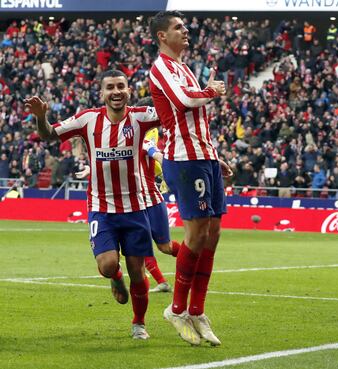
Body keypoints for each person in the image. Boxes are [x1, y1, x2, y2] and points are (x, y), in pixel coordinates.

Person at [25, 69, 160, 340]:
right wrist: (41, 117)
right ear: (102, 93)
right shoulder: (88, 119)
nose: (116, 92)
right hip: (101, 208)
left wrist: (205, 94)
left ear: (129, 90)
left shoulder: (141, 116)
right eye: (110, 87)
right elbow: (51, 135)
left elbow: (176, 114)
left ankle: (139, 323)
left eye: (121, 86)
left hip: (135, 208)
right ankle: (114, 276)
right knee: (108, 265)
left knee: (138, 271)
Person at [149, 11, 231, 346]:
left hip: (203, 156)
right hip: (183, 159)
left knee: (213, 233)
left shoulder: (183, 68)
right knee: (196, 233)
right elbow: (183, 102)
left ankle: (197, 310)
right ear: (161, 36)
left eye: (185, 27)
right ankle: (177, 308)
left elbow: (196, 119)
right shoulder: (161, 68)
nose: (186, 31)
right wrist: (210, 91)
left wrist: (215, 155)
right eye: (178, 27)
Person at [76, 126, 181, 293]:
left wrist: (169, 166)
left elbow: (157, 155)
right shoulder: (119, 146)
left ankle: (193, 261)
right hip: (133, 205)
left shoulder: (144, 143)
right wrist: (91, 169)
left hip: (151, 202)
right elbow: (108, 164)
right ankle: (161, 281)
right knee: (137, 250)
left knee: (165, 247)